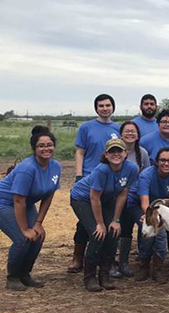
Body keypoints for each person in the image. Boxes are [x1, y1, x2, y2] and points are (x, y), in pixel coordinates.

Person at [70, 139, 139, 292]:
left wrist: (116, 220)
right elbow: (94, 197)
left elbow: (123, 194)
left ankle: (104, 275)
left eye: (119, 151)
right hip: (83, 199)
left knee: (113, 232)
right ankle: (90, 277)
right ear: (106, 155)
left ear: (125, 153)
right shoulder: (102, 170)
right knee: (97, 234)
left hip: (107, 199)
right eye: (112, 151)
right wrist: (100, 223)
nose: (116, 154)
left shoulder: (132, 168)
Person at [0, 127, 61, 291]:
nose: (46, 148)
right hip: (5, 202)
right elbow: (18, 200)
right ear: (35, 149)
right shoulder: (27, 168)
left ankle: (25, 274)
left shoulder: (55, 166)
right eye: (41, 146)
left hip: (25, 203)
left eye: (49, 145)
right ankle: (12, 278)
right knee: (22, 238)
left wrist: (38, 223)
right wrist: (25, 229)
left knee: (39, 234)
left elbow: (48, 195)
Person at [68, 94, 120, 274]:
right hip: (90, 177)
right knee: (85, 222)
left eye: (108, 105)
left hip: (109, 181)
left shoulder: (117, 128)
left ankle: (106, 261)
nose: (105, 108)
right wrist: (79, 175)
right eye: (101, 106)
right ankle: (78, 257)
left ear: (113, 107)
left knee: (106, 220)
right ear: (96, 108)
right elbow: (80, 152)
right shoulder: (86, 127)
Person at [134, 148, 169, 283]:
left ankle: (157, 268)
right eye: (163, 160)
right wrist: (150, 216)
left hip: (161, 206)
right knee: (150, 230)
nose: (166, 163)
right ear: (156, 162)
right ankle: (143, 265)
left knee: (161, 234)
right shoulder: (147, 175)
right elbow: (144, 201)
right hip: (140, 205)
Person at [111, 121, 150, 279]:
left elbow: (146, 177)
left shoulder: (143, 153)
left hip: (134, 198)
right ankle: (111, 263)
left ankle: (127, 262)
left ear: (138, 135)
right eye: (126, 131)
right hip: (115, 198)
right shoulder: (113, 152)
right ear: (120, 134)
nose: (130, 134)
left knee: (135, 228)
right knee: (115, 229)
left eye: (133, 131)